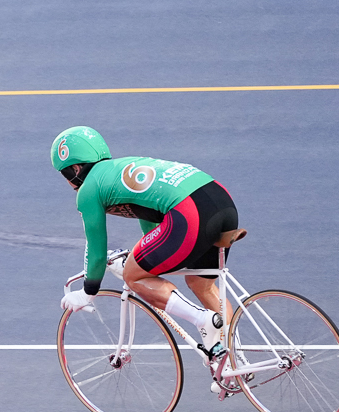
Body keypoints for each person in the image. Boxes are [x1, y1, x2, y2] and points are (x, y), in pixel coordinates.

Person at [52, 127, 237, 355]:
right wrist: (140, 256)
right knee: (202, 284)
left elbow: (96, 249)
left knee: (134, 275)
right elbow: (150, 222)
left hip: (190, 212)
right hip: (220, 199)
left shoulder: (89, 190)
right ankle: (235, 358)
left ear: (75, 170)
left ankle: (202, 320)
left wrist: (88, 291)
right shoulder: (120, 168)